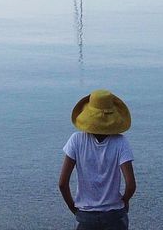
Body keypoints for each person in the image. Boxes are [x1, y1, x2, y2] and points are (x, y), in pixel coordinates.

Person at [58, 89, 137, 229]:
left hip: (85, 216)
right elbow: (131, 185)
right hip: (114, 215)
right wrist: (124, 202)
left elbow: (63, 184)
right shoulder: (120, 142)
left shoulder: (76, 140)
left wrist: (74, 208)